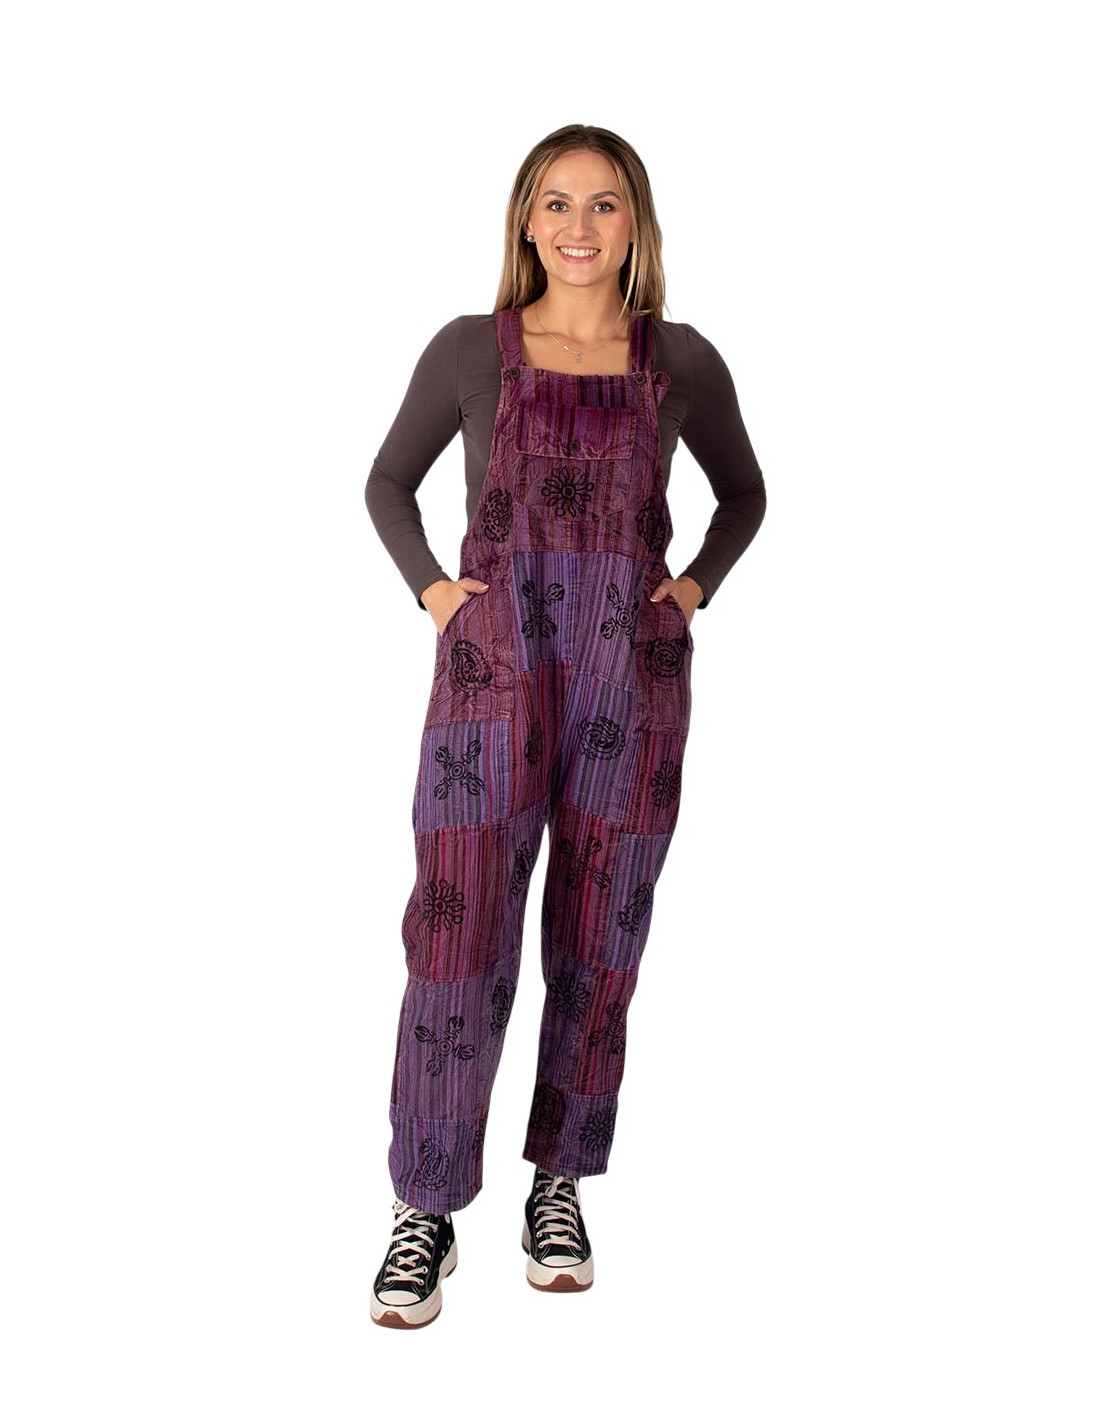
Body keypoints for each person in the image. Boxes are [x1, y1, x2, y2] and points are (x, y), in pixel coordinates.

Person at [363, 124, 767, 1328]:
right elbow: (386, 483)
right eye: (555, 203)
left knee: (601, 939)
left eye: (601, 204)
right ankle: (425, 1205)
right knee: (456, 935)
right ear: (524, 221)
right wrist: (436, 595)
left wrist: (689, 590)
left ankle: (559, 1182)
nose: (577, 228)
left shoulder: (680, 360)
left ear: (634, 222)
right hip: (489, 682)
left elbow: (744, 494)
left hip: (626, 684)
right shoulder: (468, 349)